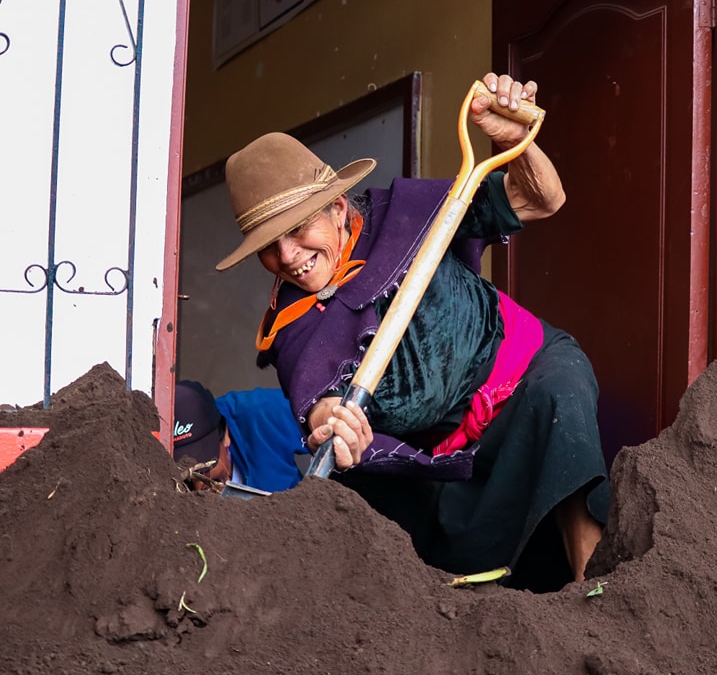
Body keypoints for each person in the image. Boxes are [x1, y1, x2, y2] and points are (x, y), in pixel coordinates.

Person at [215, 73, 609, 591]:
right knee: (369, 498)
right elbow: (319, 405)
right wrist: (336, 425)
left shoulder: (406, 215)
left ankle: (593, 591)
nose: (288, 257)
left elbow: (543, 200)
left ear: (338, 208)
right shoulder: (291, 323)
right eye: (268, 245)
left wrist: (518, 144)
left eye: (297, 229)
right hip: (439, 453)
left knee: (560, 397)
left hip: (524, 371)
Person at [172, 381, 309, 493]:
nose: (197, 485)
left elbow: (320, 410)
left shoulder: (264, 416)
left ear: (225, 435)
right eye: (187, 478)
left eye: (204, 466)